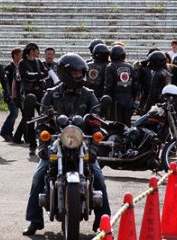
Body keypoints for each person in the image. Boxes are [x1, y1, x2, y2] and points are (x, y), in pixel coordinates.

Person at [22, 53, 111, 236]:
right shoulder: (51, 94)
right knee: (39, 175)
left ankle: (103, 221)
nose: (80, 76)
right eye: (76, 73)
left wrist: (94, 147)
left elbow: (97, 124)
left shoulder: (89, 95)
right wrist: (43, 146)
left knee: (98, 177)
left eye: (81, 73)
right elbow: (42, 124)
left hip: (82, 144)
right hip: (56, 143)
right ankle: (34, 220)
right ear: (65, 73)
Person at [19, 43, 48, 156]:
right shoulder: (23, 63)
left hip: (39, 93)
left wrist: (35, 77)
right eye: (36, 50)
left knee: (43, 118)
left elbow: (45, 74)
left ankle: (43, 142)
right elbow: (25, 76)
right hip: (28, 94)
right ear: (31, 50)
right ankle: (32, 145)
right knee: (29, 120)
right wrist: (37, 76)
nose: (38, 52)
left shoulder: (38, 62)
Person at [104, 45, 138, 127]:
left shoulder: (110, 67)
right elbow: (135, 85)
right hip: (129, 99)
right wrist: (133, 98)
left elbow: (108, 85)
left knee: (116, 125)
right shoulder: (130, 66)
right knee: (127, 124)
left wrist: (106, 98)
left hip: (116, 100)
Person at [0, 48, 22, 142]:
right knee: (14, 113)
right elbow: (7, 83)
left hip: (19, 95)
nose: (22, 56)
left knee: (15, 114)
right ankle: (5, 132)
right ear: (15, 55)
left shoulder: (21, 66)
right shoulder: (9, 68)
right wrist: (10, 95)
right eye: (20, 55)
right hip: (11, 94)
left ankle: (9, 132)